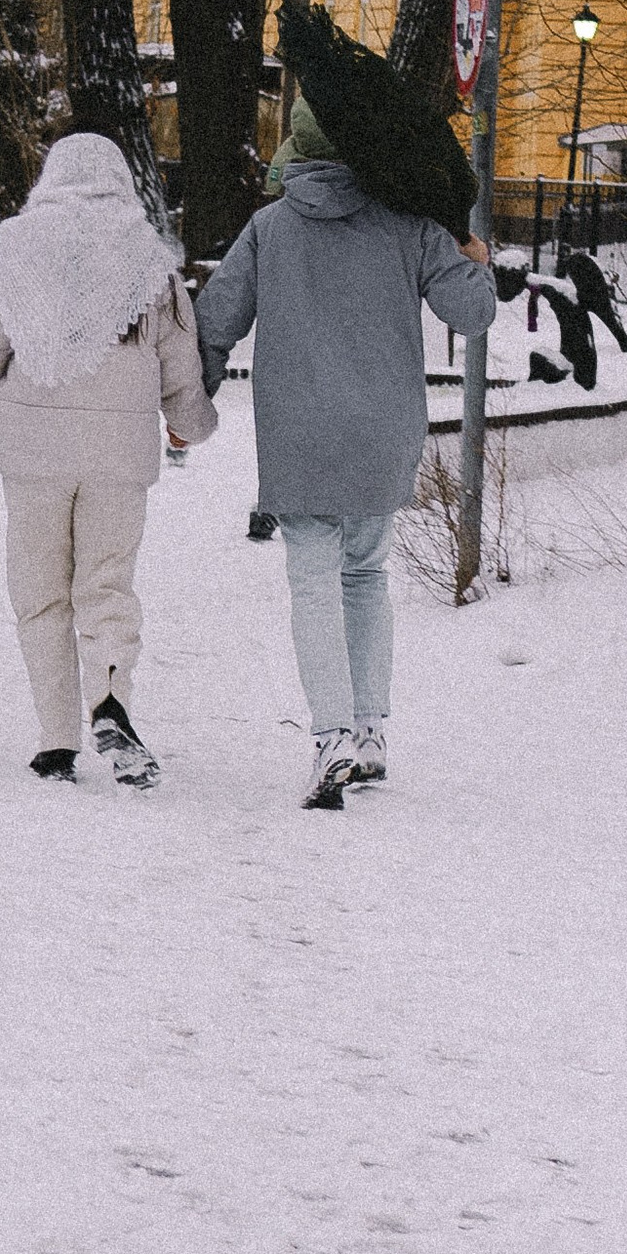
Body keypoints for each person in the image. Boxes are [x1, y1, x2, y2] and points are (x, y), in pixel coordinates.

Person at [193, 96, 495, 804]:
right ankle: (369, 732)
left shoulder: (269, 228)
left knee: (312, 580)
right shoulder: (410, 227)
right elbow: (472, 313)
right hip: (382, 431)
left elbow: (217, 319)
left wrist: (191, 399)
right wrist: (474, 258)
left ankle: (330, 739)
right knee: (365, 573)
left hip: (300, 433)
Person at [0, 132, 214, 787]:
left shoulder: (16, 251)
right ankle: (111, 699)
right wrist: (192, 426)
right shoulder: (151, 262)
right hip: (120, 456)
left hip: (33, 454)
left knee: (40, 593)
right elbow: (180, 369)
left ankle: (56, 738)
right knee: (106, 585)